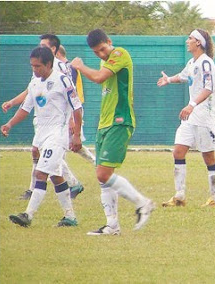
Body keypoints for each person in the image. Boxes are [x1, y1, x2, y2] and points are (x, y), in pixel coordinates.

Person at [71, 29, 155, 235]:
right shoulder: (104, 61)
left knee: (103, 173)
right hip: (104, 123)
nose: (101, 54)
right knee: (102, 177)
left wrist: (80, 66)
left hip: (120, 121)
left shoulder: (120, 54)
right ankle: (112, 225)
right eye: (96, 52)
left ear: (110, 42)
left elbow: (99, 78)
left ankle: (143, 203)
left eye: (102, 49)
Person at [1, 46, 82, 227]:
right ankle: (70, 217)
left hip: (57, 134)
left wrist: (76, 134)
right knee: (55, 176)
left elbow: (77, 107)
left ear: (48, 64)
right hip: (41, 135)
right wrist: (10, 124)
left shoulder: (63, 81)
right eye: (32, 66)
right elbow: (25, 109)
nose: (34, 70)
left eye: (37, 66)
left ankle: (28, 215)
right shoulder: (34, 83)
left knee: (41, 172)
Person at [157, 29, 215, 207]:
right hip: (191, 117)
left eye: (190, 38)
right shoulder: (192, 62)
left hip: (204, 116)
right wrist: (168, 80)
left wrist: (191, 105)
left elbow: (208, 88)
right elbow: (184, 76)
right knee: (178, 151)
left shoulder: (206, 63)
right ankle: (179, 196)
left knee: (208, 156)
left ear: (198, 43)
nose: (187, 41)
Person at [57, 44, 97, 195]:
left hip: (71, 112)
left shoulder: (68, 68)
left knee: (56, 150)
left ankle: (72, 183)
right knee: (74, 146)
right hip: (68, 113)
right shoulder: (63, 67)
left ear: (57, 53)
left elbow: (72, 95)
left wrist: (72, 120)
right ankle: (97, 164)